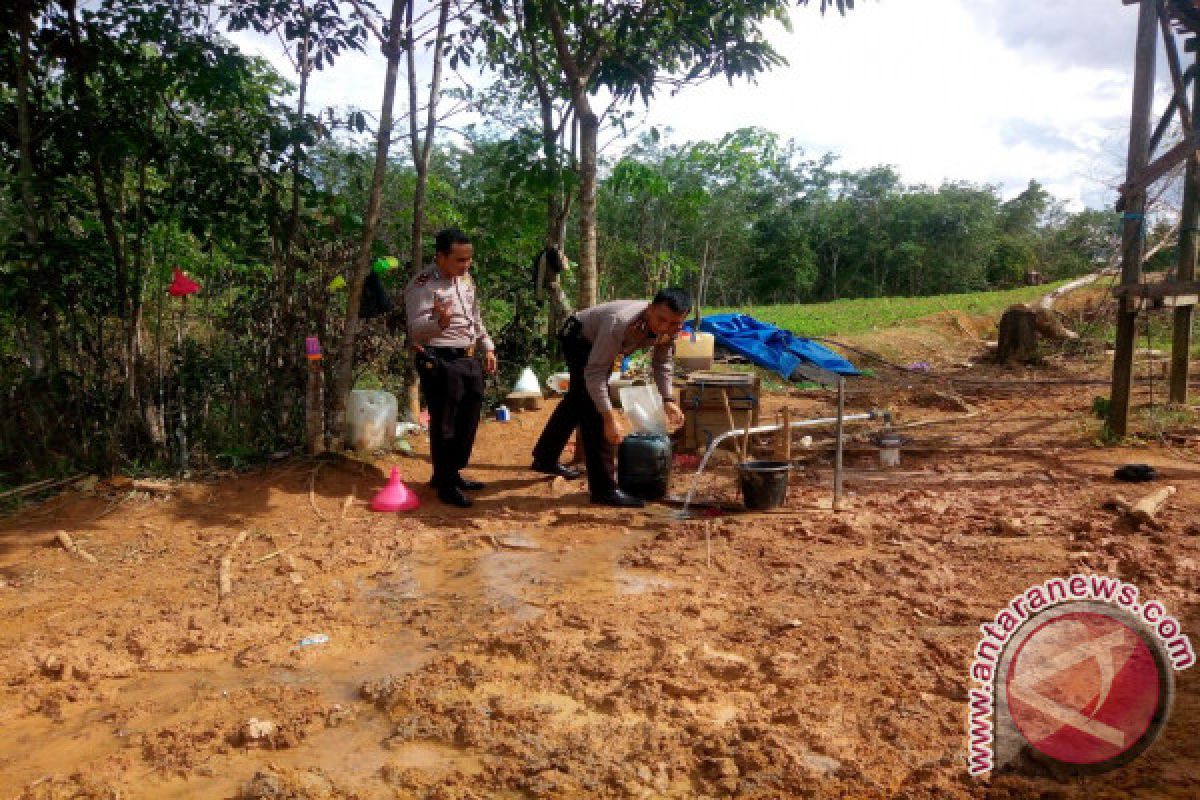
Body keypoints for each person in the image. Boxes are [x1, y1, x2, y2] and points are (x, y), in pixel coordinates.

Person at [531, 288, 690, 508]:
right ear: (649, 308)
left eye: (673, 323)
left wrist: (668, 399)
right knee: (592, 408)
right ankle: (604, 489)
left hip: (596, 343)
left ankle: (545, 457)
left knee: (577, 399)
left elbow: (662, 363)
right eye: (661, 319)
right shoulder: (619, 323)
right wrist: (608, 417)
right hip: (579, 337)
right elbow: (595, 373)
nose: (665, 327)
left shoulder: (671, 327)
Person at [404, 228, 497, 507]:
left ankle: (451, 472)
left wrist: (487, 345)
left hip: (467, 357)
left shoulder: (465, 280)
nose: (466, 265)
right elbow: (415, 331)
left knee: (468, 419)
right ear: (441, 257)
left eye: (469, 259)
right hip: (439, 358)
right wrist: (438, 324)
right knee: (445, 423)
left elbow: (475, 316)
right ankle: (444, 482)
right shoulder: (422, 286)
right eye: (460, 260)